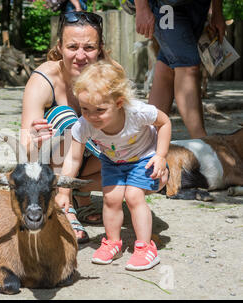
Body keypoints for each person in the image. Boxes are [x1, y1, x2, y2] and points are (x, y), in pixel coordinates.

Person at [55, 60, 171, 271]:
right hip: (112, 161)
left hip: (144, 158)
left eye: (99, 109)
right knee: (111, 198)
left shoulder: (137, 112)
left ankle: (145, 247)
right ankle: (112, 242)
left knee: (134, 196)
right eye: (85, 109)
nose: (91, 116)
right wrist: (63, 191)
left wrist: (161, 155)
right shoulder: (84, 125)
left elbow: (164, 122)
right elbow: (73, 159)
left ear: (118, 103)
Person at [21, 11, 117, 243]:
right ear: (60, 47)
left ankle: (79, 193)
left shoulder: (112, 75)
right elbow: (25, 144)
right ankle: (62, 202)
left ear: (101, 48)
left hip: (92, 157)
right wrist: (36, 141)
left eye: (89, 48)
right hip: (52, 161)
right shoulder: (44, 79)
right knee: (66, 118)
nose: (80, 56)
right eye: (73, 47)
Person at [133, 0, 226, 139]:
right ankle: (201, 141)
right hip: (166, 6)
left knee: (166, 68)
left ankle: (147, 140)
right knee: (188, 65)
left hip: (197, 7)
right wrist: (142, 7)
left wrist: (217, 12)